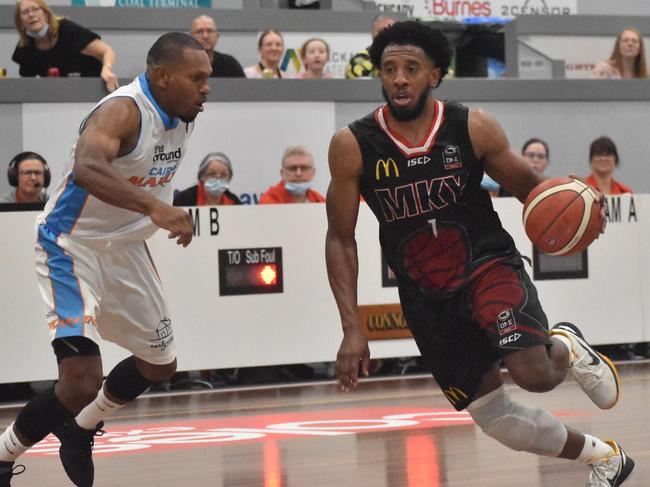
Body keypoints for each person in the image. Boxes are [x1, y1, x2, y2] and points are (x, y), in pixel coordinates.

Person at [325, 21, 634, 487]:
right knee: (498, 421)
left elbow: (535, 192)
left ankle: (565, 345)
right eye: (389, 69)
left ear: (434, 75)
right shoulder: (352, 145)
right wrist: (352, 326)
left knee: (535, 374)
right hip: (427, 295)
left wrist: (585, 207)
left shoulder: (472, 126)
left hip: (486, 265)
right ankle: (604, 458)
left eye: (411, 68)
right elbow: (339, 238)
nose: (399, 79)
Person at [0, 32, 211, 486]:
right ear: (162, 76)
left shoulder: (184, 111)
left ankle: (80, 428)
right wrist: (155, 206)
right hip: (70, 243)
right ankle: (3, 454)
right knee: (79, 381)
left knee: (160, 364)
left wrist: (149, 211)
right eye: (197, 78)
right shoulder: (123, 109)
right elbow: (87, 168)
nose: (206, 87)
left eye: (208, 78)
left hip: (126, 246)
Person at [12, 0, 118, 92]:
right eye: (25, 12)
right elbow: (27, 84)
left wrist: (107, 69)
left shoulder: (66, 29)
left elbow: (107, 51)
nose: (31, 14)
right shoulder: (25, 46)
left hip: (91, 89)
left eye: (35, 9)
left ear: (46, 14)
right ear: (20, 22)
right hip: (55, 96)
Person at [259, 145, 325, 204]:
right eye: (292, 168)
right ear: (282, 173)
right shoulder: (268, 201)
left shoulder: (320, 201)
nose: (298, 173)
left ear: (313, 172)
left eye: (304, 168)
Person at [174, 151, 242, 206]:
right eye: (212, 174)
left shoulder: (235, 202)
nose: (218, 179)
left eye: (223, 174)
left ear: (229, 178)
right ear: (202, 176)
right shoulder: (184, 199)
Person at [345, 15, 395, 79]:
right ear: (372, 34)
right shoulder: (359, 62)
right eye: (382, 31)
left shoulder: (407, 58)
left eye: (392, 31)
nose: (387, 35)